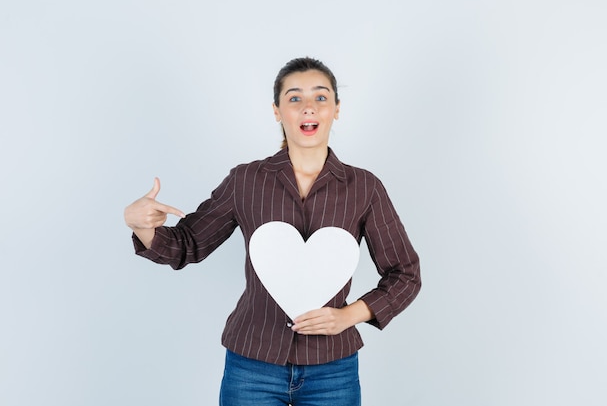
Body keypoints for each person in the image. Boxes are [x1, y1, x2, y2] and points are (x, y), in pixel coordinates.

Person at [124, 57, 421, 406]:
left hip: (333, 368)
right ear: (277, 111)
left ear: (336, 109)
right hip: (252, 364)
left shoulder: (365, 187)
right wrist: (140, 225)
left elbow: (405, 275)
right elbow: (186, 245)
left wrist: (347, 316)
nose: (308, 107)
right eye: (294, 98)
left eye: (320, 97)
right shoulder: (245, 181)